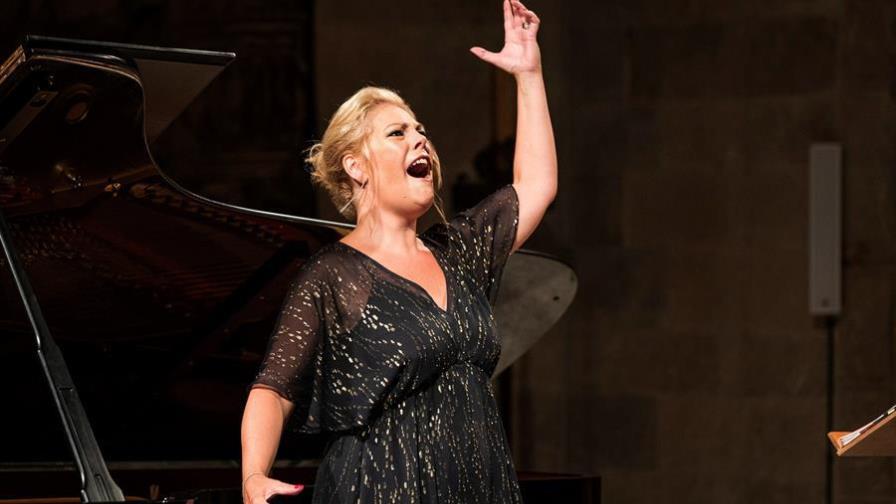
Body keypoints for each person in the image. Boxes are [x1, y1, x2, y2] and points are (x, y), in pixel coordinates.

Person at [240, 0, 556, 501]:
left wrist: (529, 75)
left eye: (422, 131)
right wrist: (253, 475)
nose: (420, 141)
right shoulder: (334, 274)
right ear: (356, 166)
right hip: (380, 487)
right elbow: (274, 389)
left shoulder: (459, 252)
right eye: (398, 133)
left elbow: (536, 184)